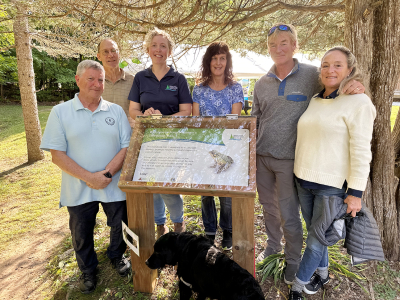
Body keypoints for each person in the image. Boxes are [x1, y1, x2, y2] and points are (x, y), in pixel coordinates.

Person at [251, 23, 366, 284]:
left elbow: (335, 79)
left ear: (295, 46)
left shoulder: (313, 75)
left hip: (292, 161)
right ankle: (272, 247)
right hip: (262, 158)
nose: (278, 49)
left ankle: (293, 261)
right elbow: (255, 121)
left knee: (289, 213)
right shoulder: (261, 83)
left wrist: (355, 83)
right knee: (269, 208)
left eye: (284, 43)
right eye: (272, 45)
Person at [288, 46, 376, 300]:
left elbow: (362, 150)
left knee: (315, 241)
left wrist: (356, 192)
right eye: (325, 64)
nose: (330, 70)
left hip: (332, 186)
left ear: (350, 70)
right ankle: (323, 274)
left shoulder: (359, 102)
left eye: (338, 65)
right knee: (315, 234)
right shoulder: (316, 100)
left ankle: (297, 287)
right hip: (303, 180)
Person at [40, 60, 132, 294]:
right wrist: (89, 178)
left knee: (121, 225)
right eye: (91, 78)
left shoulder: (115, 111)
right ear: (77, 80)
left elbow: (126, 147)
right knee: (81, 232)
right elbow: (57, 155)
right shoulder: (61, 112)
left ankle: (116, 255)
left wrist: (107, 173)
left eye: (100, 79)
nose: (96, 84)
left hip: (112, 184)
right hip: (78, 187)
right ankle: (88, 269)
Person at [128, 28, 192, 238]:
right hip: (147, 142)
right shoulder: (140, 78)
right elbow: (133, 110)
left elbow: (186, 111)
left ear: (169, 51)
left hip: (172, 142)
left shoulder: (178, 79)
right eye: (154, 45)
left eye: (163, 46)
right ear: (148, 50)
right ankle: (159, 224)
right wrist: (146, 116)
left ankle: (178, 223)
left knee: (169, 185)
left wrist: (162, 120)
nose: (158, 50)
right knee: (152, 184)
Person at [192, 41, 244, 249]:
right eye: (214, 58)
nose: (218, 62)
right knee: (206, 193)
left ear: (227, 61)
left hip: (228, 147)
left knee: (226, 193)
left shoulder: (235, 88)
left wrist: (223, 145)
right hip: (204, 148)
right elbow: (196, 121)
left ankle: (228, 230)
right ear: (208, 61)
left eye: (223, 58)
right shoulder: (199, 89)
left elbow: (235, 120)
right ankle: (209, 231)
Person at [97, 38, 135, 126]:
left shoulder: (133, 81)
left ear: (119, 54)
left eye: (113, 50)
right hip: (103, 136)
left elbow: (141, 110)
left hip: (128, 136)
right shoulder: (94, 83)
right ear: (99, 56)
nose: (110, 55)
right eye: (105, 52)